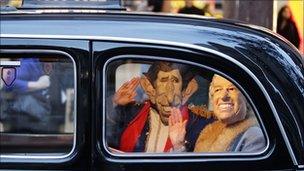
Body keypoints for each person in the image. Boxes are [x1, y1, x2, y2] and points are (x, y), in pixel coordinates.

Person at [108, 61, 212, 152]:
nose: (170, 99)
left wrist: (180, 147)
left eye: (175, 81)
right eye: (163, 80)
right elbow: (105, 137)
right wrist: (113, 103)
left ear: (186, 92)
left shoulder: (199, 126)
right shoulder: (131, 114)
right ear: (150, 89)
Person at [194, 75, 265, 152]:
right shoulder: (209, 132)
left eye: (232, 89)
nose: (223, 96)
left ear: (247, 97)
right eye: (218, 90)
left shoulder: (254, 136)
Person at [0, 58, 51, 133]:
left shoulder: (29, 62)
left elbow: (9, 81)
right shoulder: (27, 62)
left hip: (34, 116)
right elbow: (8, 81)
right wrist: (37, 85)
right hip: (26, 117)